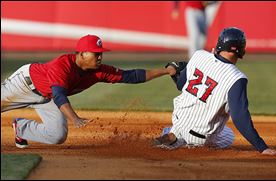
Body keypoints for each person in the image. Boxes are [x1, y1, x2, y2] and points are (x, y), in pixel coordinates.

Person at [1, 34, 177, 149]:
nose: (100, 57)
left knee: (57, 136)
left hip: (46, 97)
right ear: (82, 54)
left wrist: (165, 71)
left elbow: (131, 75)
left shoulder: (98, 71)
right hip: (23, 85)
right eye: (96, 53)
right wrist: (75, 118)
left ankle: (21, 128)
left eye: (101, 53)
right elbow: (59, 95)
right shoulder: (62, 66)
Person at [153, 27, 276, 156]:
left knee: (184, 120)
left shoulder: (199, 55)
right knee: (229, 135)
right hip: (200, 137)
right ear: (241, 51)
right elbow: (240, 118)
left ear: (219, 45)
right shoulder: (237, 78)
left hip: (178, 121)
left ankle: (175, 134)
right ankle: (186, 142)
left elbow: (181, 85)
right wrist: (262, 147)